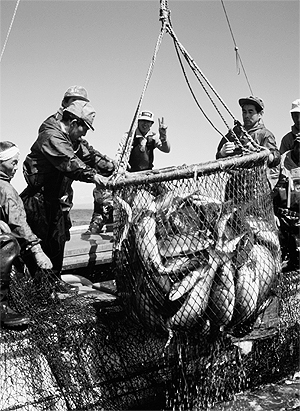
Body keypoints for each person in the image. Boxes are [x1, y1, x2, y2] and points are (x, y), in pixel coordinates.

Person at [21, 100, 115, 277]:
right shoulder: (51, 136)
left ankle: (54, 283)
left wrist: (110, 167)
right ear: (73, 123)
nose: (85, 133)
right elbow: (69, 162)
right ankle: (37, 288)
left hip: (56, 201)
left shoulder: (73, 140)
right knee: (39, 247)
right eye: (85, 128)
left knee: (58, 241)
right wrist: (94, 176)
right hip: (37, 202)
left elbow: (91, 157)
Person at [85, 110, 171, 234]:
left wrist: (164, 135)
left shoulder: (153, 137)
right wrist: (121, 170)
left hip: (148, 176)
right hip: (130, 176)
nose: (145, 125)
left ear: (151, 124)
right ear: (138, 122)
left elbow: (166, 149)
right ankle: (100, 220)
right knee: (107, 195)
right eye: (143, 122)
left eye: (148, 123)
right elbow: (120, 155)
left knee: (167, 195)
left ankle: (159, 221)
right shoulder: (128, 137)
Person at [0, 141, 53, 329]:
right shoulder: (5, 189)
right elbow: (18, 223)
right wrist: (36, 249)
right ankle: (1, 307)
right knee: (8, 243)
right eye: (13, 163)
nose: (15, 168)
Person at [216, 96, 281, 188]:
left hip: (257, 185)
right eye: (244, 112)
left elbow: (276, 159)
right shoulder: (234, 133)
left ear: (260, 114)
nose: (246, 116)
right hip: (234, 185)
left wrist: (259, 153)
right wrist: (222, 153)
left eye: (251, 112)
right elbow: (218, 157)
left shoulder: (265, 134)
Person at [273, 136, 300, 270]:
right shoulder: (281, 161)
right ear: (294, 146)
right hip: (281, 215)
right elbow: (270, 187)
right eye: (298, 146)